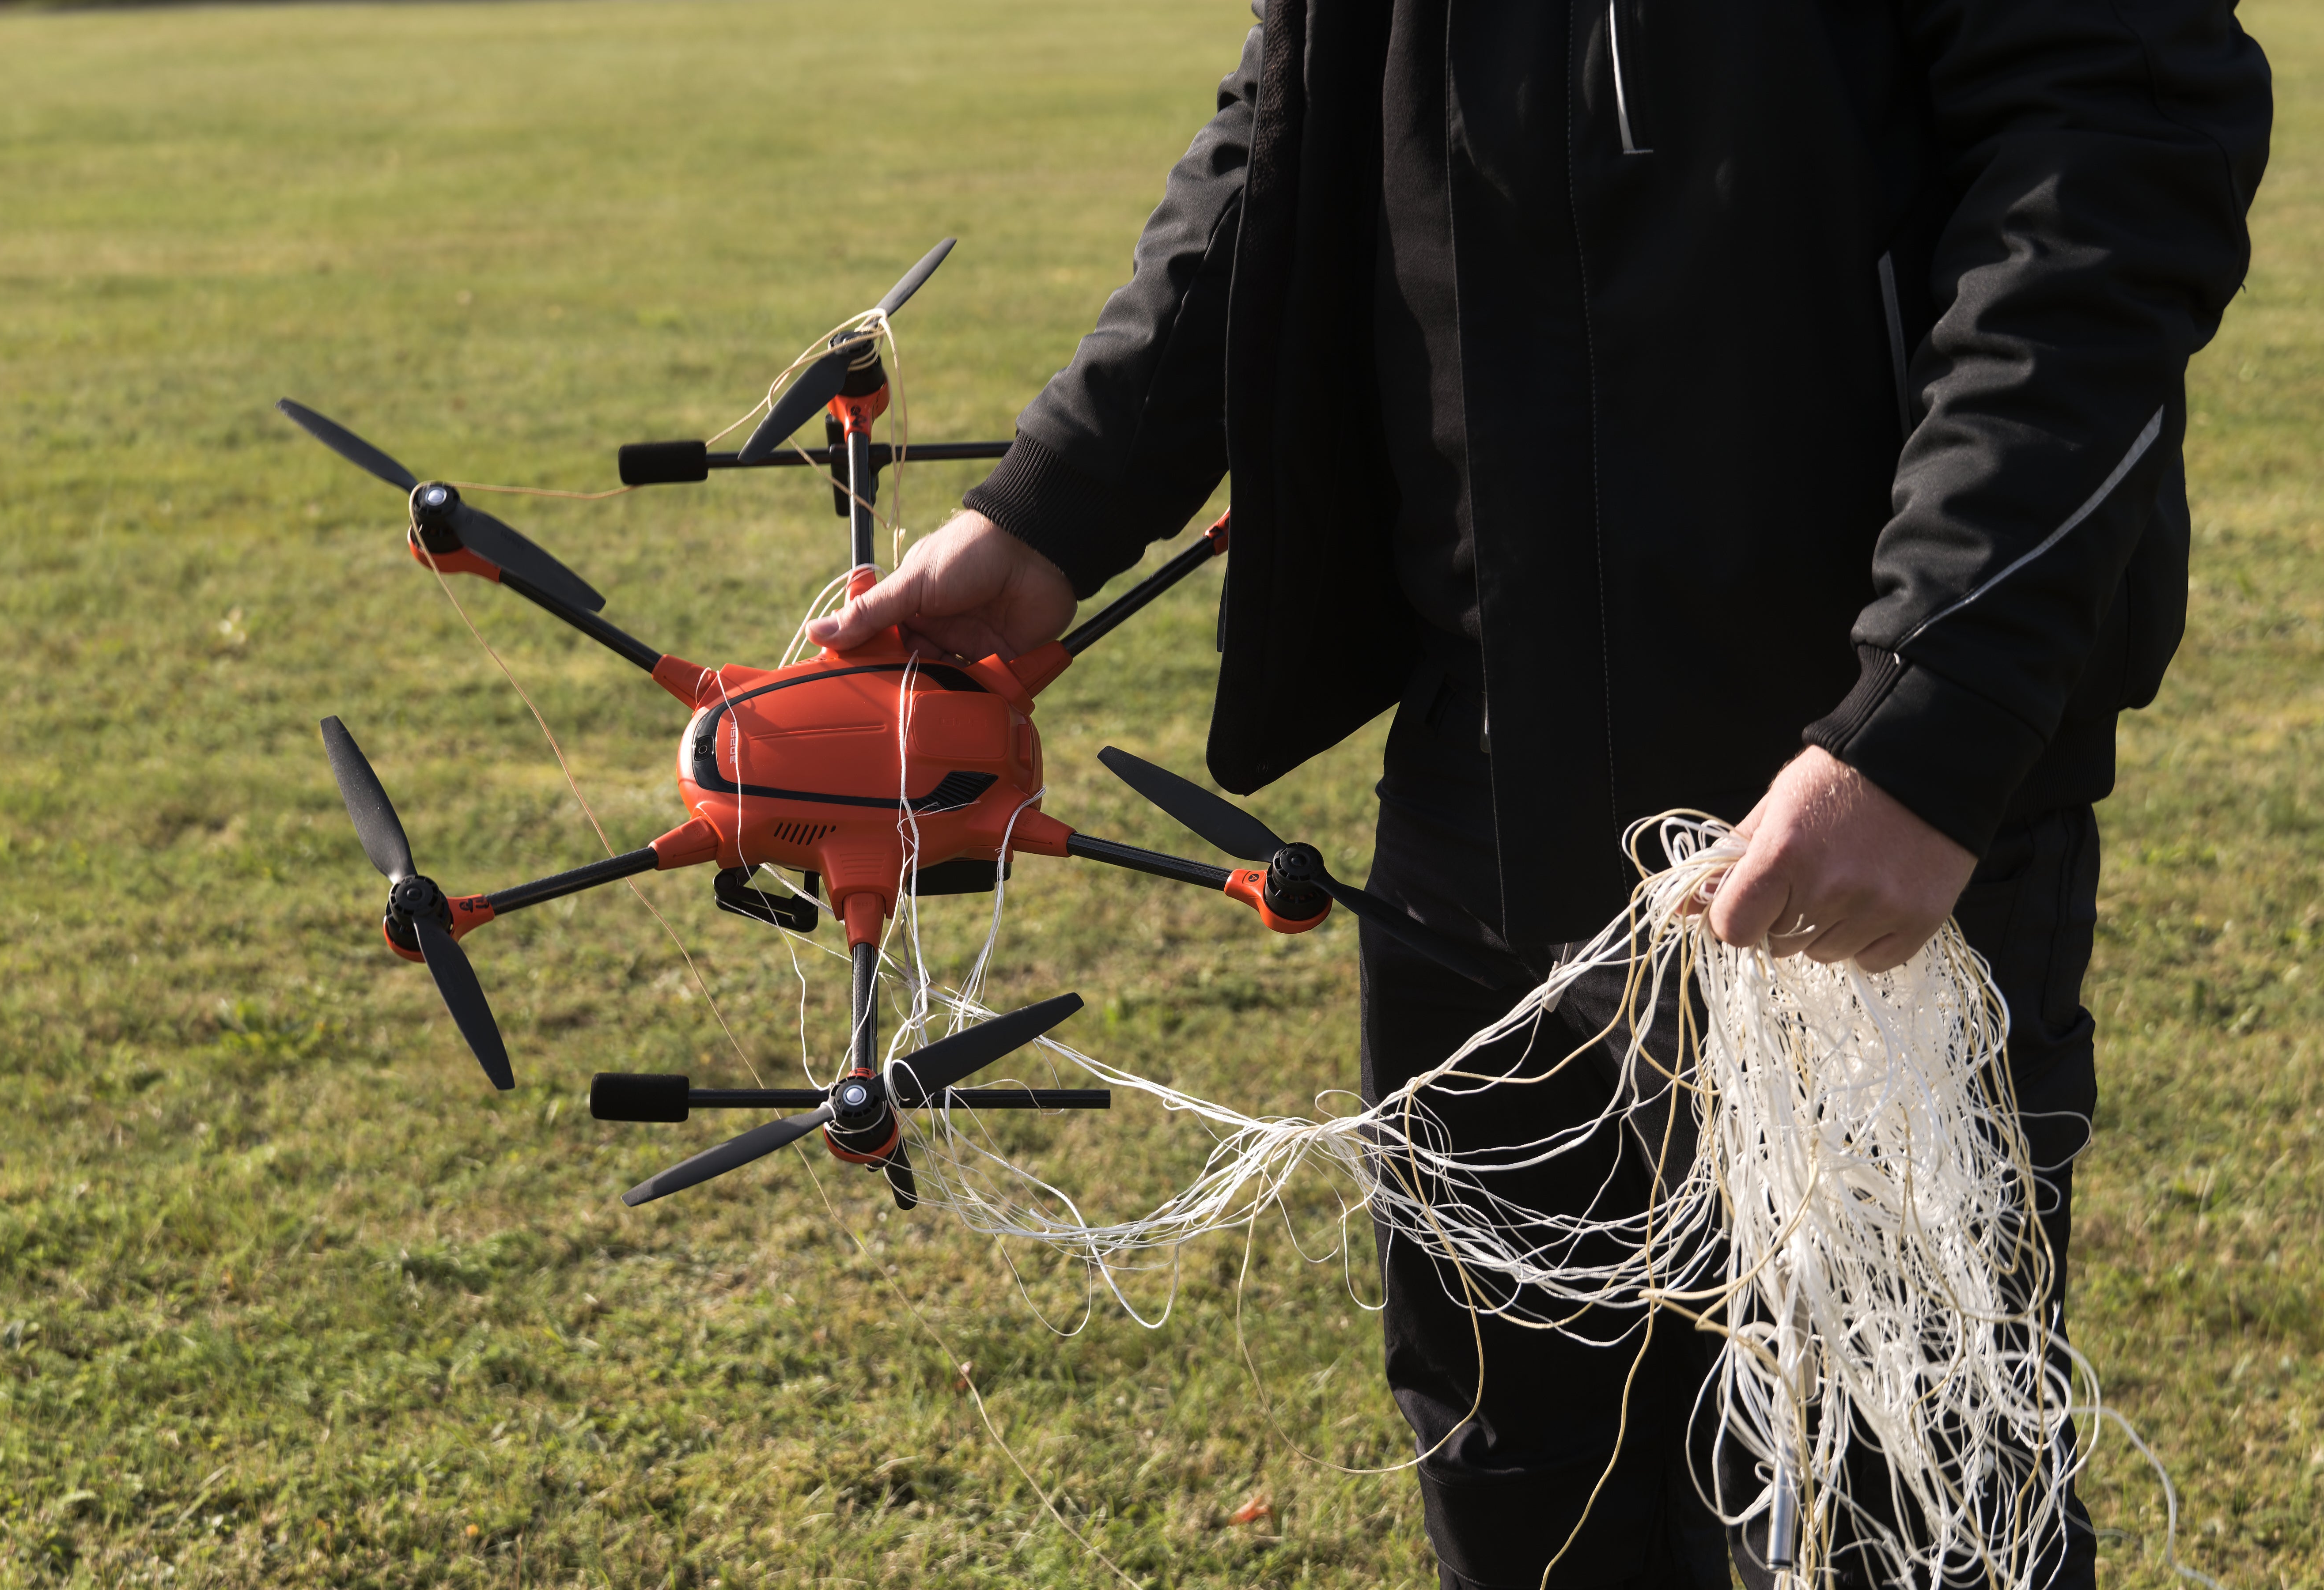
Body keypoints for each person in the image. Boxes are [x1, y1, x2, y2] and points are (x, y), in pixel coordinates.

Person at [806, 1, 2271, 1582]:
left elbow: (2110, 158)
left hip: (1860, 818)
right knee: (1517, 1475)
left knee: (1909, 1506)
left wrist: (1925, 716)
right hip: (1478, 787)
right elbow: (1294, 119)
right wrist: (1054, 507)